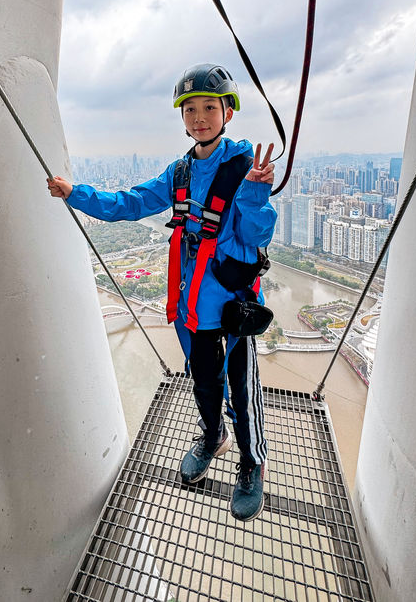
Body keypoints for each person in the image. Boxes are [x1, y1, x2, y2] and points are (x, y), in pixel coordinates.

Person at [47, 63, 276, 522]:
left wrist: (254, 192)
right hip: (191, 311)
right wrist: (76, 194)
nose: (199, 118)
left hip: (230, 309)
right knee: (204, 386)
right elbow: (130, 203)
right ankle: (213, 437)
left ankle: (251, 464)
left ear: (227, 111)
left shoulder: (242, 167)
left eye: (210, 107)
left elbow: (257, 234)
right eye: (190, 110)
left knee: (242, 393)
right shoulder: (181, 173)